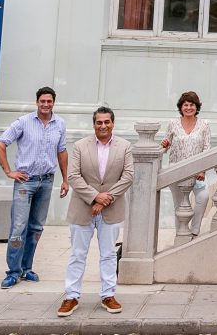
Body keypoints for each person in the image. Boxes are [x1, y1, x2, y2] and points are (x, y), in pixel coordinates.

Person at [57, 106, 133, 317]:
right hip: (82, 208)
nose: (103, 126)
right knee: (77, 254)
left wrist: (104, 199)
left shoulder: (125, 146)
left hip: (112, 209)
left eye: (107, 122)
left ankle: (108, 295)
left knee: (108, 255)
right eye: (99, 122)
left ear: (113, 123)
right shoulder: (81, 146)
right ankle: (71, 296)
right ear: (94, 124)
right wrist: (95, 197)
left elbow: (127, 177)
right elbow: (73, 177)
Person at [0, 86, 68, 289]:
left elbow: (62, 151)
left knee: (36, 227)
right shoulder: (24, 122)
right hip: (25, 181)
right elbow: (0, 144)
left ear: (54, 102)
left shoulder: (60, 124)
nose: (46, 104)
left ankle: (27, 268)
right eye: (42, 101)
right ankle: (13, 272)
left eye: (49, 101)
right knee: (18, 227)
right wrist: (9, 171)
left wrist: (65, 179)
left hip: (46, 181)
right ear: (37, 102)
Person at [160, 91, 211, 237]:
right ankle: (180, 234)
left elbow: (207, 148)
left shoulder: (204, 125)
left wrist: (203, 170)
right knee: (179, 204)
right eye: (185, 105)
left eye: (192, 105)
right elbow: (165, 146)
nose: (188, 108)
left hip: (197, 171)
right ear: (181, 107)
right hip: (176, 170)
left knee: (203, 197)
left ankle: (194, 230)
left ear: (197, 107)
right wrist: (165, 144)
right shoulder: (173, 124)